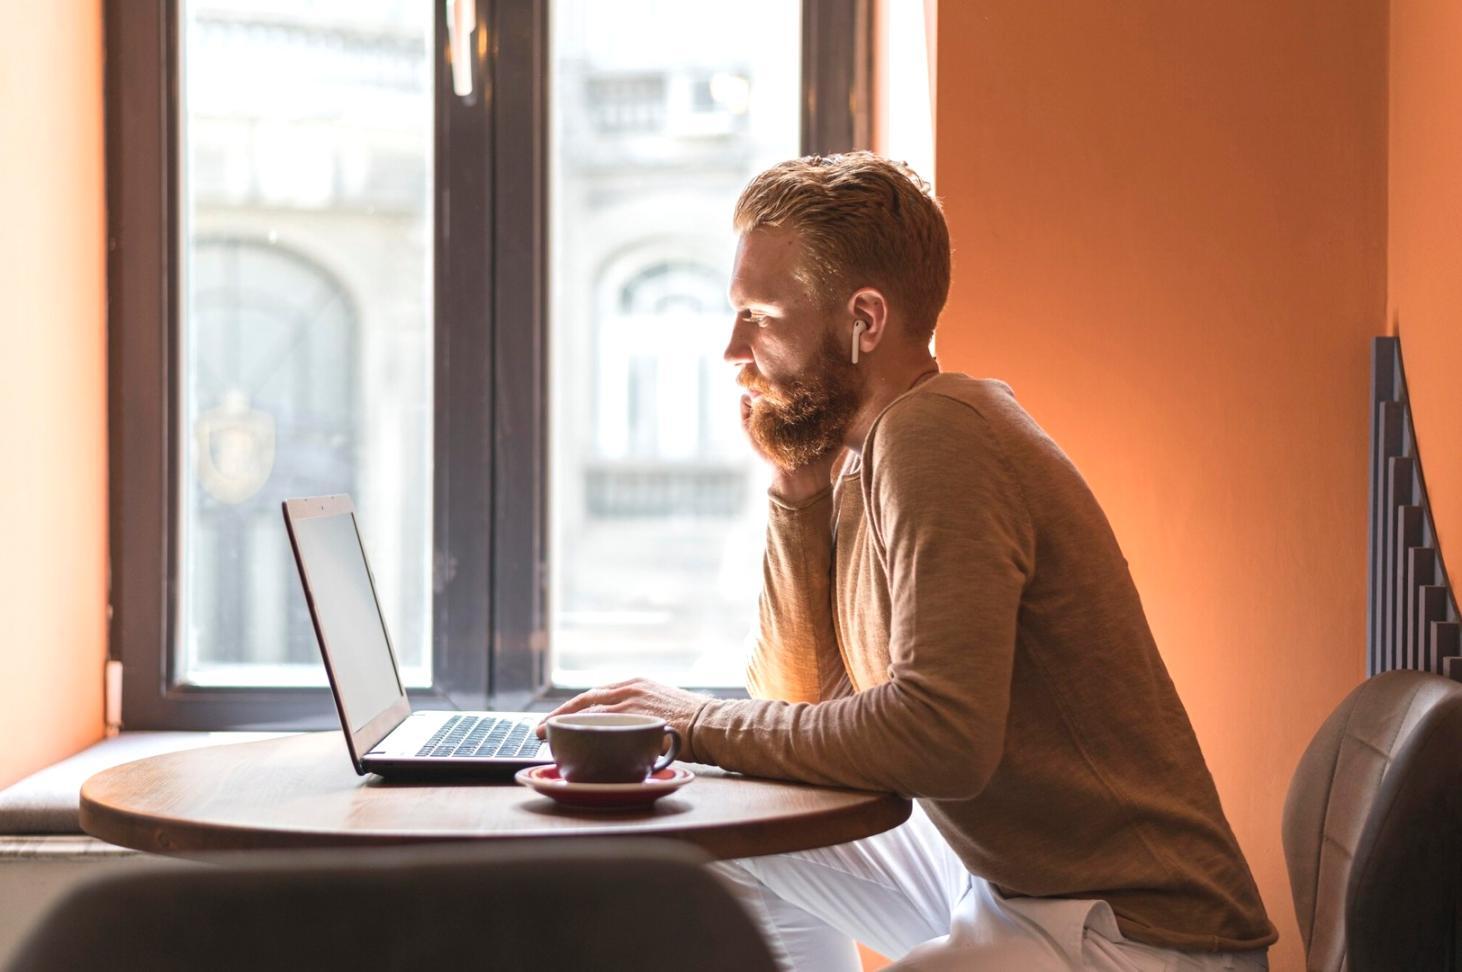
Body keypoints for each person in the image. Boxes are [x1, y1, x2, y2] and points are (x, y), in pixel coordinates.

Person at [539, 152, 1276, 970]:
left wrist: (696, 721)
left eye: (759, 315)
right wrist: (797, 492)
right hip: (1006, 886)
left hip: (1132, 936)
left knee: (715, 774)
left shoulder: (939, 434)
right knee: (723, 835)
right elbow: (795, 707)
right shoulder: (867, 455)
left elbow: (940, 741)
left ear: (864, 320)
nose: (731, 350)